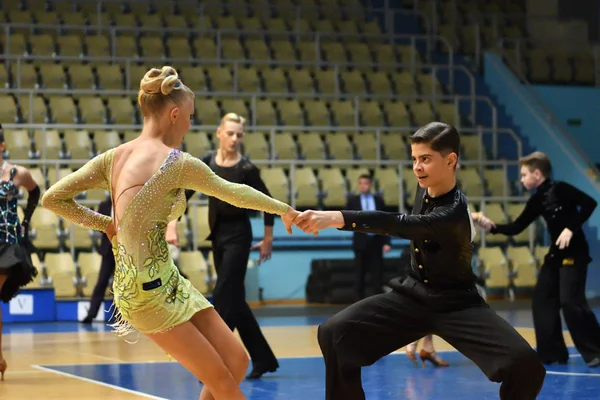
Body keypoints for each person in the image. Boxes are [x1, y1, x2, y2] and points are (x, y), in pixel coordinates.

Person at [41, 66, 298, 400]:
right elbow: (233, 191)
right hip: (144, 294)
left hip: (169, 279)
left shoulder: (113, 157)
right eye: (190, 117)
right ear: (174, 114)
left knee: (235, 362)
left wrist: (104, 223)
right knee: (221, 378)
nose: (190, 125)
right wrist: (104, 222)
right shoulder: (175, 163)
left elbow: (53, 197)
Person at [292, 122, 546, 400]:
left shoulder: (453, 212)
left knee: (526, 365)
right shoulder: (424, 189)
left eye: (425, 159)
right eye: (414, 159)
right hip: (414, 296)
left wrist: (333, 217)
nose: (417, 167)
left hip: (457, 305)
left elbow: (397, 223)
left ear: (451, 160)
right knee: (334, 333)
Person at [166, 112, 281, 380]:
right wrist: (172, 224)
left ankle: (215, 358)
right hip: (217, 235)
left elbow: (268, 204)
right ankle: (263, 359)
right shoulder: (206, 161)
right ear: (219, 133)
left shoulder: (247, 169)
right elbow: (184, 194)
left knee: (223, 295)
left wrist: (267, 239)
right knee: (236, 301)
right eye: (230, 133)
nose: (235, 139)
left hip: (239, 237)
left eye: (239, 135)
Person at [475, 151, 600, 368]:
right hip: (555, 254)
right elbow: (517, 227)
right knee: (542, 299)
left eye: (524, 175)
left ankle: (595, 351)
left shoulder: (561, 188)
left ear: (537, 173)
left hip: (575, 251)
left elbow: (590, 203)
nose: (521, 179)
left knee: (571, 302)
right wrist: (491, 227)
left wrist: (571, 228)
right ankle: (552, 353)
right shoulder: (537, 199)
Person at [0, 123, 41, 380]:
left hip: (7, 244)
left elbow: (35, 192)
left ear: (2, 145)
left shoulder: (17, 173)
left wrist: (25, 222)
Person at [345, 174, 391, 301]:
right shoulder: (353, 201)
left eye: (366, 183)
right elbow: (346, 219)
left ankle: (378, 302)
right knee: (359, 273)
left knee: (377, 273)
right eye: (361, 183)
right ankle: (358, 302)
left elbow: (385, 222)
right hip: (360, 241)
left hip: (376, 241)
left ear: (370, 184)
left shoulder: (378, 201)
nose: (363, 186)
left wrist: (387, 242)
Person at [81, 196, 115, 324]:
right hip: (108, 250)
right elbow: (98, 227)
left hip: (123, 250)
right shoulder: (104, 204)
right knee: (101, 282)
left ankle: (120, 316)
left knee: (121, 285)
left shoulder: (126, 202)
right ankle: (91, 314)